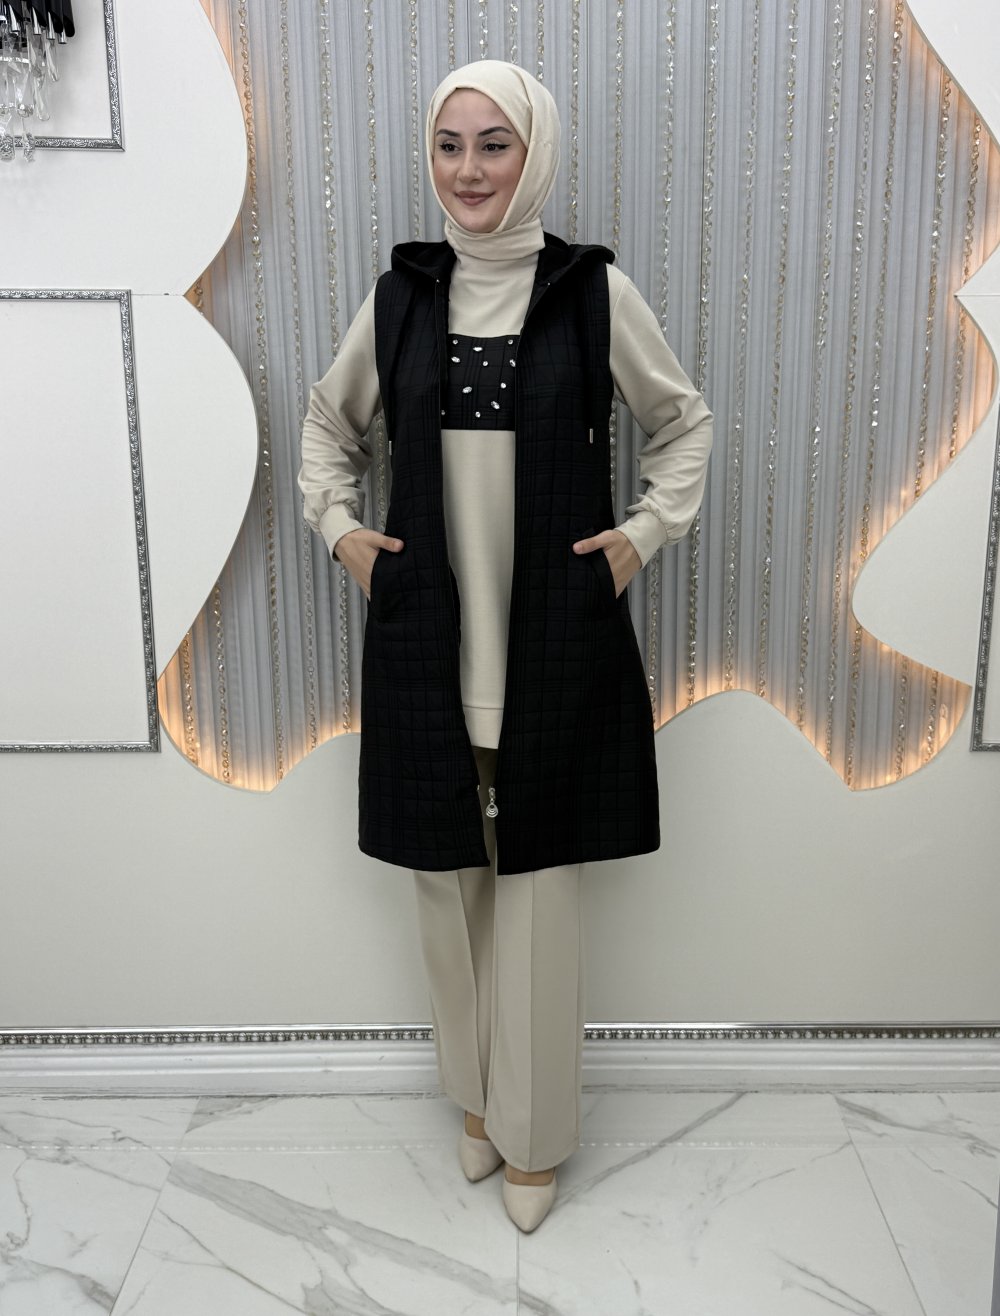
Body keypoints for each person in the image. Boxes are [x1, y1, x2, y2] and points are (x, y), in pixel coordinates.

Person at [299, 60, 712, 1233]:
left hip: (552, 636)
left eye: (495, 144)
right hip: (428, 633)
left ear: (535, 153)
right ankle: (476, 1101)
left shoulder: (591, 293)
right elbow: (327, 426)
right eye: (450, 144)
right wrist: (342, 531)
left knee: (535, 895)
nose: (469, 169)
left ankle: (534, 1136)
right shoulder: (402, 298)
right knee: (447, 886)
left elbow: (681, 422)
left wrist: (641, 536)